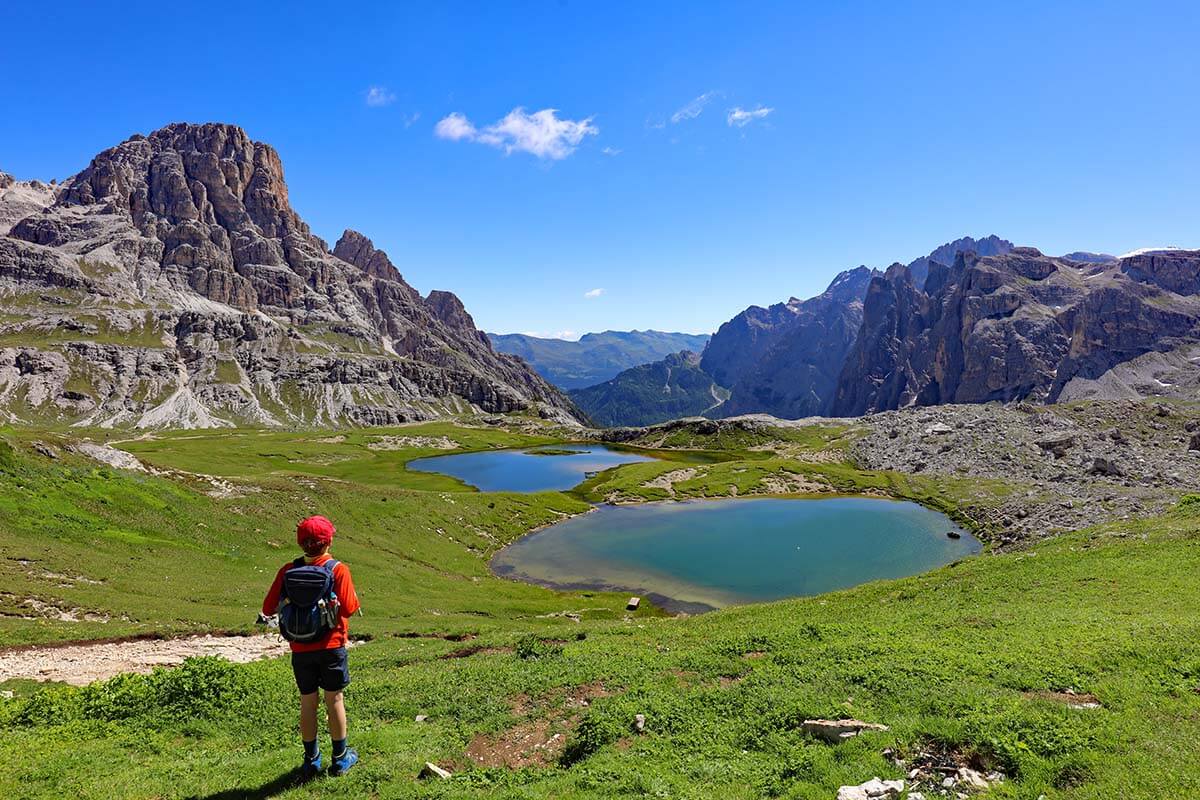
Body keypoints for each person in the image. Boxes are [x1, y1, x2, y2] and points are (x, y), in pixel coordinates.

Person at [262, 515, 361, 778]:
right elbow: (350, 608)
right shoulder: (337, 569)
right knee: (334, 699)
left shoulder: (287, 570)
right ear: (328, 541)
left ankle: (311, 761)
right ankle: (340, 759)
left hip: (300, 648)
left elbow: (267, 608)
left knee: (308, 701)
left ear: (300, 542)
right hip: (331, 645)